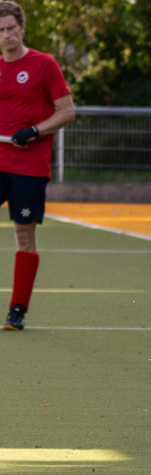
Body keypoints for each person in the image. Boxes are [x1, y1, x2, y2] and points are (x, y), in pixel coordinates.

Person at [0, 0, 74, 331]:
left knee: (23, 235)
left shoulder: (44, 64)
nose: (6, 36)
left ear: (22, 28)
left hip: (29, 165)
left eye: (10, 29)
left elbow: (67, 111)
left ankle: (18, 309)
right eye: (0, 31)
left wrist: (34, 130)